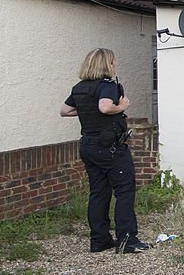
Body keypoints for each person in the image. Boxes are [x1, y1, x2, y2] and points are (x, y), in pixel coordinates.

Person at [60, 48, 150, 253]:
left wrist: (85, 110)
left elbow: (64, 111)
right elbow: (105, 107)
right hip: (110, 147)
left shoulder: (80, 88)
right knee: (125, 190)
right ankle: (127, 240)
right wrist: (122, 106)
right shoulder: (108, 86)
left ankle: (99, 240)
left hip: (88, 146)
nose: (115, 65)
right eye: (113, 62)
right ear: (107, 64)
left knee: (98, 193)